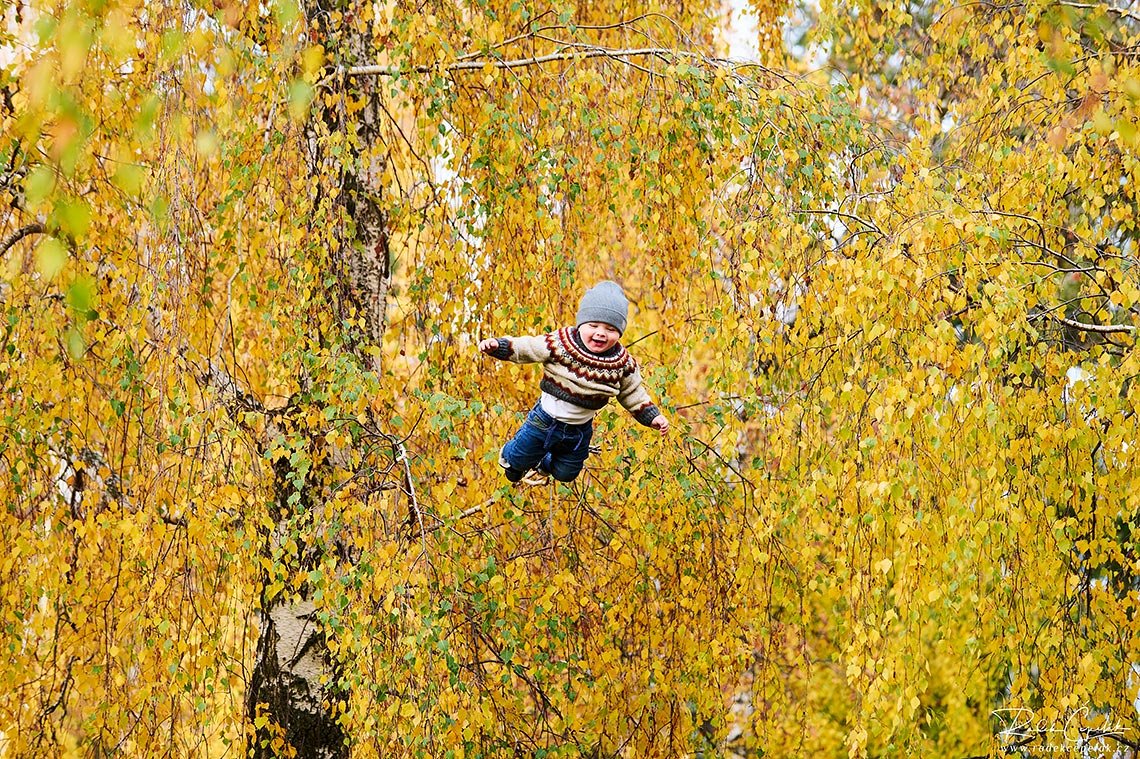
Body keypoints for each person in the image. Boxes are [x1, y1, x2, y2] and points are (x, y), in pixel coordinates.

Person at [478, 281, 669, 484]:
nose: (600, 333)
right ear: (581, 325)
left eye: (610, 329)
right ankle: (512, 458)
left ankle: (544, 463)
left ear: (620, 333)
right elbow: (530, 347)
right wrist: (499, 346)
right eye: (593, 325)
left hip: (579, 430)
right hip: (544, 420)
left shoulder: (622, 363)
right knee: (517, 462)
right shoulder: (561, 343)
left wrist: (652, 417)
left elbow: (633, 393)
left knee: (566, 474)